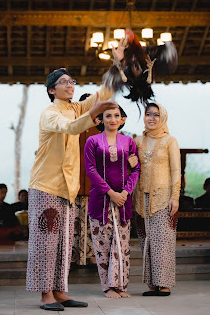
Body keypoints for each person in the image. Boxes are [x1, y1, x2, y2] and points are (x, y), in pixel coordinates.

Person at [26, 38, 127, 312]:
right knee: (46, 243)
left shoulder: (74, 107)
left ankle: (60, 291)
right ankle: (45, 294)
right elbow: (71, 128)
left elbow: (103, 94)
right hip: (46, 186)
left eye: (72, 82)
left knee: (64, 245)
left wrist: (116, 64)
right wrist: (93, 111)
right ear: (51, 90)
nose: (70, 86)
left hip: (67, 189)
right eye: (64, 83)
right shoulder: (50, 113)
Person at [84, 105, 140, 299]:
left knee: (121, 244)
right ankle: (108, 287)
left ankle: (121, 285)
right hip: (101, 200)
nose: (113, 119)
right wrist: (111, 193)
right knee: (103, 245)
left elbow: (136, 169)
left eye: (117, 115)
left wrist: (125, 192)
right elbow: (91, 170)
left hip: (123, 201)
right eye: (108, 115)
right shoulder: (92, 141)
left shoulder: (129, 142)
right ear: (100, 119)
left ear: (122, 119)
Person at [131, 102, 181, 297]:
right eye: (148, 114)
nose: (151, 118)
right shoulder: (136, 141)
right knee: (146, 240)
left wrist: (175, 196)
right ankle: (152, 284)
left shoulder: (170, 141)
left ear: (163, 118)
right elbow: (131, 168)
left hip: (163, 197)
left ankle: (164, 284)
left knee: (163, 240)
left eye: (156, 115)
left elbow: (176, 171)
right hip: (140, 196)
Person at [72, 93, 96, 266]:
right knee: (73, 223)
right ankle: (73, 257)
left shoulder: (101, 128)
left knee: (92, 223)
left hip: (94, 185)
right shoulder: (74, 128)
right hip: (73, 184)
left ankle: (92, 255)